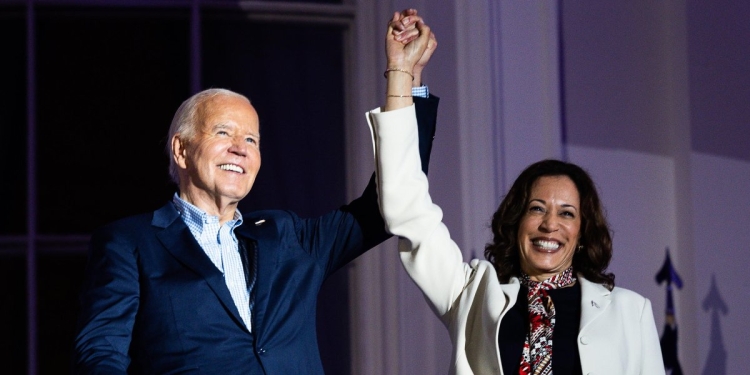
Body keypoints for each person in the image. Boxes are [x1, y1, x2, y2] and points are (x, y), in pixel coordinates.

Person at [72, 10, 438, 374]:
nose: (240, 148)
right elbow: (101, 354)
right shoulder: (129, 243)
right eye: (223, 133)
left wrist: (405, 76)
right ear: (181, 150)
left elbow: (391, 199)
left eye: (251, 139)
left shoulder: (288, 237)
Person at [367, 16, 665, 375]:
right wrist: (400, 73)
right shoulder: (473, 296)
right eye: (537, 208)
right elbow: (405, 207)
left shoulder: (630, 312)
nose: (550, 224)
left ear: (584, 232)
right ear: (516, 221)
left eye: (567, 213)